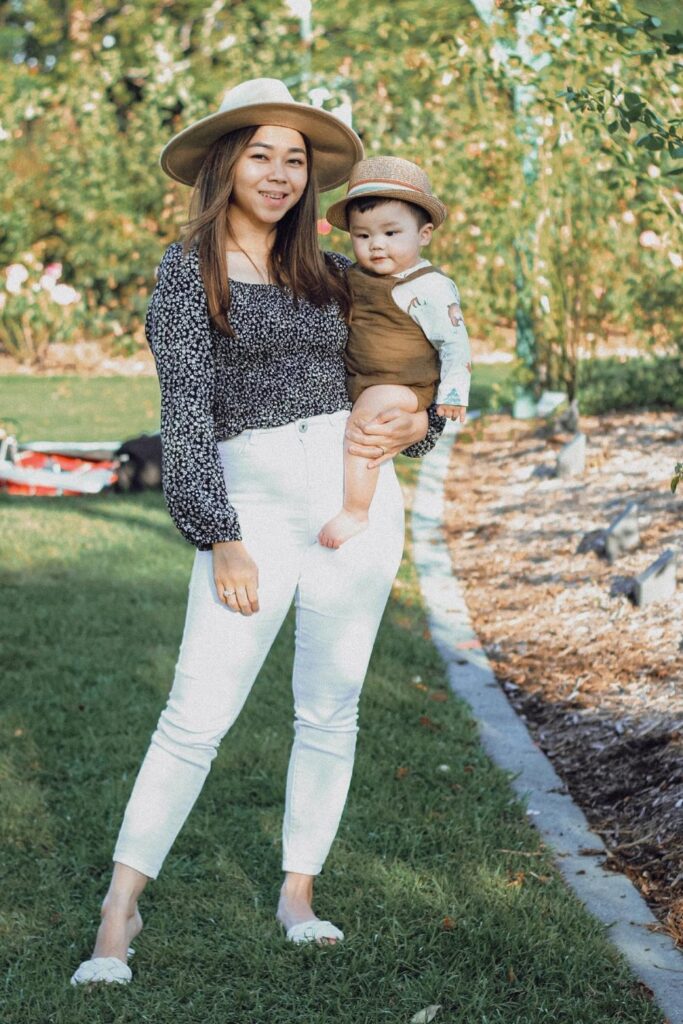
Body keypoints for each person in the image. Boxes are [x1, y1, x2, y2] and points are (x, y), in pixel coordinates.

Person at [70, 78, 445, 986]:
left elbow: (404, 370)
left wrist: (421, 427)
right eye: (260, 154)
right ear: (225, 162)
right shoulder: (184, 269)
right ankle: (118, 913)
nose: (279, 174)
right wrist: (217, 532)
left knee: (330, 709)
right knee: (196, 713)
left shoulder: (336, 268)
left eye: (294, 159)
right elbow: (185, 411)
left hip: (356, 506)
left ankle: (297, 895)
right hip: (254, 507)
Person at [318, 156, 472, 549]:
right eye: (363, 235)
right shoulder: (352, 275)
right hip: (363, 375)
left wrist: (453, 393)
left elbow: (454, 343)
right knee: (365, 408)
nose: (376, 245)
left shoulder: (430, 287)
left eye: (390, 232)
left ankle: (356, 510)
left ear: (423, 234)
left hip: (405, 384)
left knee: (366, 426)